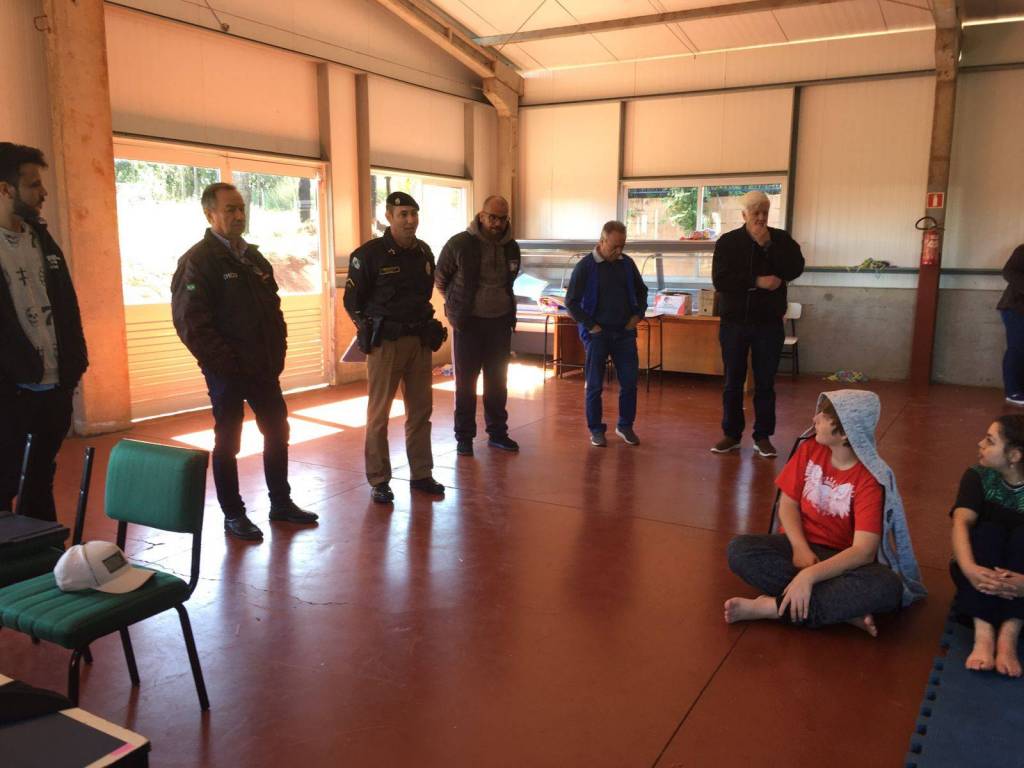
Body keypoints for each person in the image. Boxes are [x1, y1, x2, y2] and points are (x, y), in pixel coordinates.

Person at [171, 182, 318, 542]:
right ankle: (233, 514)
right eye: (230, 209)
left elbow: (273, 310)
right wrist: (226, 363)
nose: (239, 215)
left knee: (277, 431)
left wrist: (277, 351)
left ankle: (280, 503)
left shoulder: (253, 258)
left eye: (241, 208)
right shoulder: (198, 261)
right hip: (227, 372)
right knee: (229, 441)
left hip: (262, 367)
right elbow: (191, 324)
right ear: (210, 214)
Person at [724, 389, 927, 634]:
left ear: (845, 431)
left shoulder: (869, 478)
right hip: (800, 547)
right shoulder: (809, 449)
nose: (815, 419)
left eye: (825, 416)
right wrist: (800, 548)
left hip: (842, 561)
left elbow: (863, 551)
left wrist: (809, 576)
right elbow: (787, 504)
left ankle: (772, 608)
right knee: (739, 550)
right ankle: (840, 611)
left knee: (887, 586)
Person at [0, 143, 88, 521]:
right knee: (4, 484)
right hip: (10, 394)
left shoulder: (42, 240)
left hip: (54, 389)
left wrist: (74, 366)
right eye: (33, 184)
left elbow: (68, 307)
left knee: (39, 481)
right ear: (5, 189)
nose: (43, 193)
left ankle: (43, 549)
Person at [344, 191, 447, 504]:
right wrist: (368, 329)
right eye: (403, 214)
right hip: (386, 344)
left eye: (414, 214)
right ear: (388, 217)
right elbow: (352, 301)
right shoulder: (369, 255)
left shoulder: (424, 252)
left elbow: (424, 296)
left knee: (421, 412)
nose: (410, 220)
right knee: (379, 414)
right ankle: (379, 479)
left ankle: (421, 474)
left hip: (419, 342)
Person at [710, 190, 804, 458]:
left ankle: (763, 436)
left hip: (768, 324)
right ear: (744, 215)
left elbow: (795, 268)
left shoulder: (781, 239)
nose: (761, 218)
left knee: (765, 382)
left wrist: (768, 246)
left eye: (765, 212)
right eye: (755, 213)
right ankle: (731, 434)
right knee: (733, 381)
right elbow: (721, 280)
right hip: (734, 323)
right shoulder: (728, 242)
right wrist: (757, 281)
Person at [435, 195, 520, 457]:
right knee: (466, 383)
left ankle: (498, 434)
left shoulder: (511, 247)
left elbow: (510, 279)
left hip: (500, 324)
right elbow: (441, 278)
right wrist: (456, 305)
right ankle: (464, 437)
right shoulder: (460, 244)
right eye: (492, 217)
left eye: (502, 218)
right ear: (481, 216)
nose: (497, 223)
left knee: (498, 382)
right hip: (468, 324)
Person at [949, 415, 1024, 677]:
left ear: (1014, 455)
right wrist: (970, 568)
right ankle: (984, 635)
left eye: (990, 441)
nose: (980, 444)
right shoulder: (977, 476)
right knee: (987, 532)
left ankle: (1009, 636)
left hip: (1021, 580)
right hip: (980, 571)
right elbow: (961, 523)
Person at [565, 220, 648, 447]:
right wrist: (590, 326)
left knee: (629, 383)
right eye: (614, 246)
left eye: (623, 246)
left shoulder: (627, 264)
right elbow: (571, 303)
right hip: (597, 335)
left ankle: (625, 426)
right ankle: (596, 429)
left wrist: (638, 315)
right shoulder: (585, 267)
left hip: (624, 333)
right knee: (594, 386)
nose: (619, 251)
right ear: (602, 241)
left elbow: (642, 291)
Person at [997, 244, 1024, 406]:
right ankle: (1013, 391)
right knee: (1017, 348)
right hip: (1016, 308)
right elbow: (1008, 272)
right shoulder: (1023, 250)